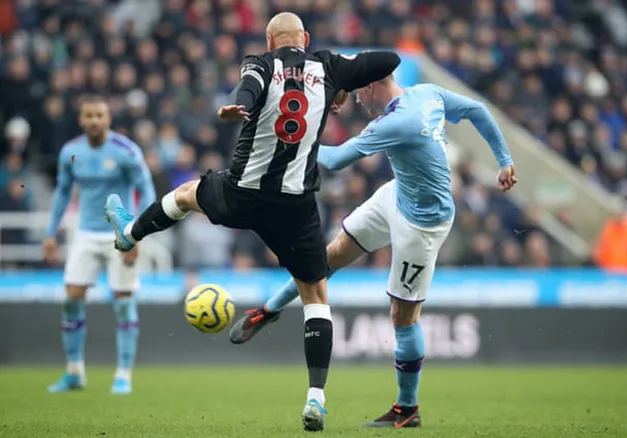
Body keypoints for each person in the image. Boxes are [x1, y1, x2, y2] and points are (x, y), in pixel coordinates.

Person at [103, 12, 400, 431]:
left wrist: (239, 104)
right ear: (306, 38)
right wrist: (343, 86)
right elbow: (388, 58)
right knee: (315, 295)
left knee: (187, 195)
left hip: (244, 193)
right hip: (295, 205)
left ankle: (129, 235)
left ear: (269, 41)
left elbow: (251, 88)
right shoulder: (330, 66)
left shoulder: (260, 64)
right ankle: (316, 397)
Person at [229, 75, 518, 428]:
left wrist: (288, 142)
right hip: (397, 194)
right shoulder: (427, 94)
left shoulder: (396, 122)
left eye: (358, 93)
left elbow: (334, 160)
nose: (358, 101)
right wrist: (504, 160)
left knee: (403, 316)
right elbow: (477, 109)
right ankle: (268, 310)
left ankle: (407, 409)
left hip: (423, 225)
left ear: (372, 86)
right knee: (327, 258)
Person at [43, 94, 156, 395]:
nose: (94, 121)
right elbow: (63, 193)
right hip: (85, 233)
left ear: (108, 119)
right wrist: (50, 233)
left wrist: (137, 234)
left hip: (121, 235)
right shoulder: (71, 152)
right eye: (89, 115)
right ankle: (74, 372)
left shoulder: (126, 152)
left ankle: (123, 375)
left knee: (122, 303)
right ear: (81, 120)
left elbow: (146, 191)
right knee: (71, 298)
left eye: (99, 115)